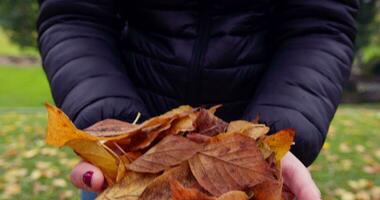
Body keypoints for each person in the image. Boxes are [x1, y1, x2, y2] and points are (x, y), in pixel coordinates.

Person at [37, 0, 358, 199]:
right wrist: (119, 130)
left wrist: (270, 142)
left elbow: (320, 22)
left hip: (248, 169)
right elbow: (75, 13)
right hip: (127, 163)